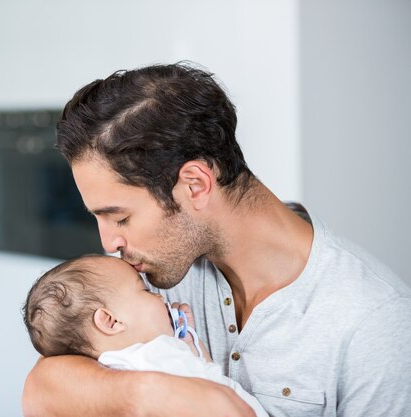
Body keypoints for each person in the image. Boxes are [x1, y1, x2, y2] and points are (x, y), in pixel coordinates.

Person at [22, 63, 411, 417]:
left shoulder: (374, 323)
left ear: (195, 185)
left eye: (120, 217)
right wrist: (155, 395)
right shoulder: (157, 275)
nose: (109, 243)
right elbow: (41, 389)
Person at [22, 254, 269, 417]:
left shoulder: (111, 370)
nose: (160, 297)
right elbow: (208, 378)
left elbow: (202, 372)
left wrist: (188, 341)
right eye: (145, 290)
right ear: (111, 321)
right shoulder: (150, 357)